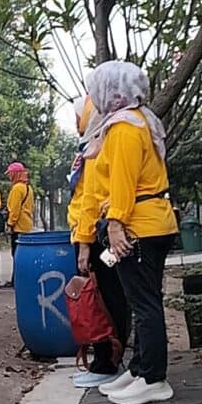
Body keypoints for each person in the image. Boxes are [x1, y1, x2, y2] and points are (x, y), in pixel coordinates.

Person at [76, 61, 178, 404]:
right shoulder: (138, 122)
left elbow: (122, 182)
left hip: (137, 227)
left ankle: (153, 378)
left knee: (144, 304)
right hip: (149, 223)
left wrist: (116, 224)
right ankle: (139, 369)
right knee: (142, 300)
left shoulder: (123, 129)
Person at [68, 94, 131, 388]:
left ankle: (108, 361)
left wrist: (83, 244)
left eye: (79, 115)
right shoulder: (90, 147)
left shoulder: (97, 147)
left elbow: (90, 200)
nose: (75, 121)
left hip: (98, 240)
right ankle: (106, 360)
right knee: (106, 294)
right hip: (95, 237)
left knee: (104, 298)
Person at [3, 162, 34, 287]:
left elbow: (14, 210)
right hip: (26, 225)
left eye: (10, 173)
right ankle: (18, 279)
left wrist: (10, 224)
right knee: (21, 255)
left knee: (16, 255)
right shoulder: (28, 188)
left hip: (18, 226)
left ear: (16, 174)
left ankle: (17, 281)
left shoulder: (17, 189)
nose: (9, 176)